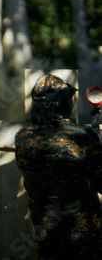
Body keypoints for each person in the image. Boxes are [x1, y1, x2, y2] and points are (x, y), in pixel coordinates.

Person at [15, 74, 102, 260]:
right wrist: (95, 143)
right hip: (83, 240)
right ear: (62, 102)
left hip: (46, 235)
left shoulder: (22, 137)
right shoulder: (78, 136)